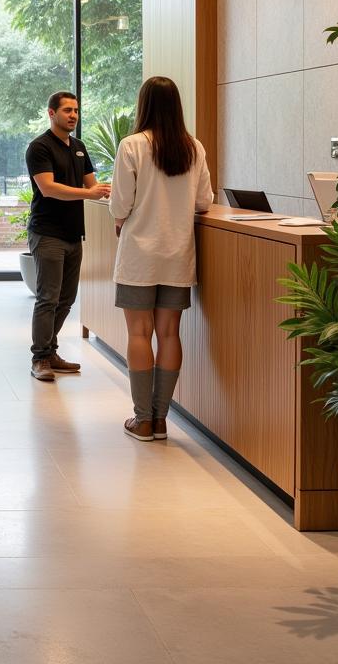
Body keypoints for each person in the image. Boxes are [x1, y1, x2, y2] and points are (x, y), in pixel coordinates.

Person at [109, 76, 213, 441]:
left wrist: (122, 218)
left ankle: (143, 420)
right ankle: (162, 418)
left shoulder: (132, 145)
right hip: (178, 256)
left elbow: (120, 203)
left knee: (140, 332)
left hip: (139, 255)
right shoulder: (193, 148)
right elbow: (204, 202)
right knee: (170, 333)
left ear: (144, 105)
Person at [26, 91, 111, 381]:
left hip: (74, 234)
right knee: (48, 298)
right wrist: (89, 193)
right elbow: (48, 188)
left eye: (76, 110)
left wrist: (116, 189)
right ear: (52, 113)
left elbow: (93, 184)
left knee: (66, 298)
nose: (73, 115)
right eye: (67, 110)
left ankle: (50, 351)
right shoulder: (39, 147)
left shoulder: (79, 146)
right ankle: (40, 359)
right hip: (47, 232)